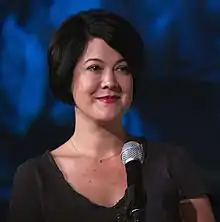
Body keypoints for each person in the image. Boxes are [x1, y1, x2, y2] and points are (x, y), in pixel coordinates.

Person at [9, 8, 216, 222]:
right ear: (68, 76)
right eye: (95, 68)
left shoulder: (171, 163)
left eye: (122, 68)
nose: (110, 81)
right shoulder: (35, 178)